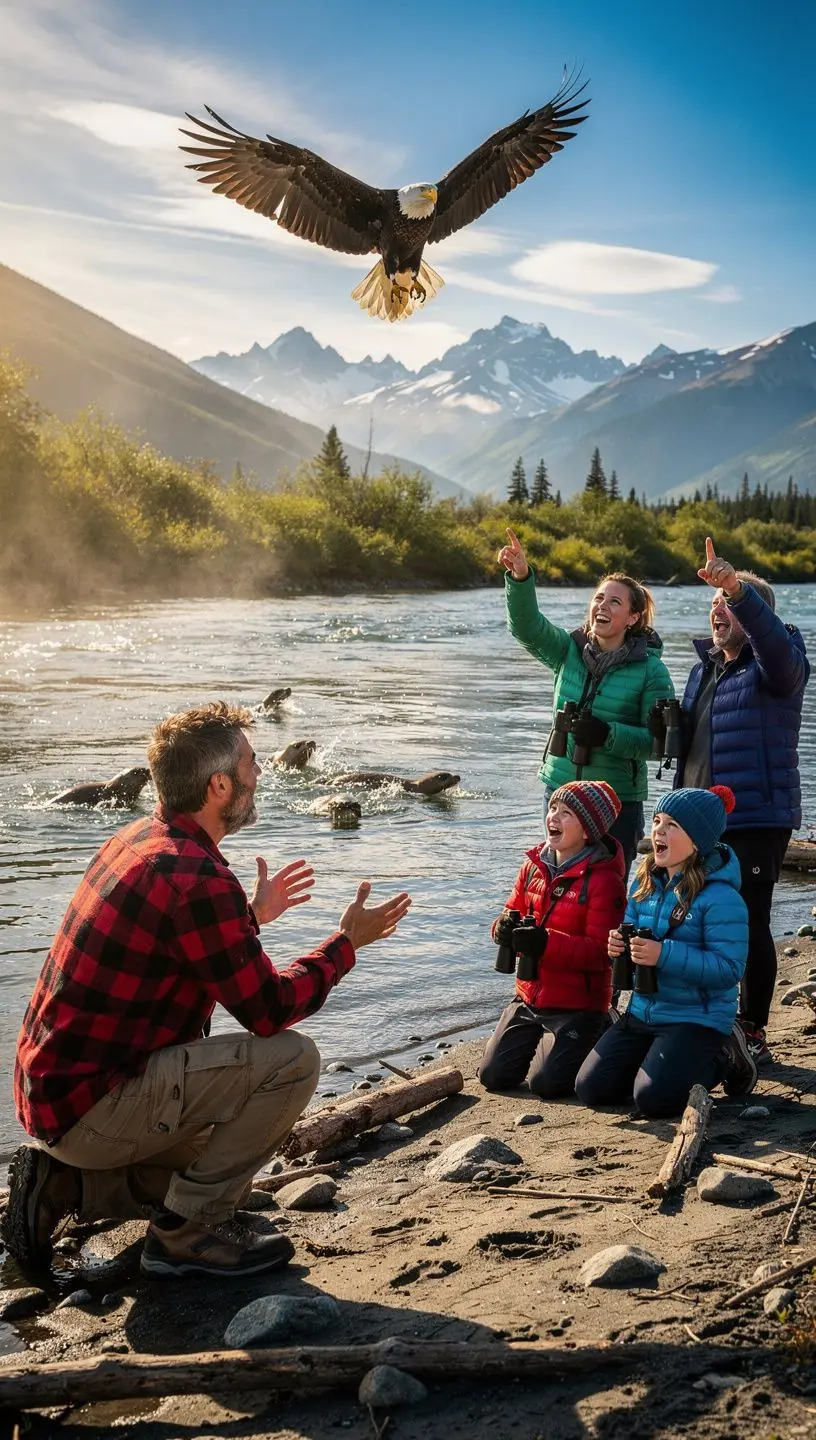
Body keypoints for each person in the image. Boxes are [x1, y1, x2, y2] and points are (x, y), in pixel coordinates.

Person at [4, 702, 410, 1279]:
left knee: (214, 1161)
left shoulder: (140, 837)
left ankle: (69, 1184)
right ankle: (184, 1236)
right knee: (292, 1062)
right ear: (220, 784)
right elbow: (269, 1011)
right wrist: (346, 944)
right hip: (91, 1106)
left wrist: (250, 915)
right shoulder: (197, 878)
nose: (260, 773)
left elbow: (176, 950)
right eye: (250, 763)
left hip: (53, 1095)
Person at [676, 539, 809, 1065]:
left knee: (750, 919)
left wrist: (738, 589)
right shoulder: (704, 669)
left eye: (728, 605)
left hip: (757, 813)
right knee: (700, 917)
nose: (719, 613)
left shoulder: (779, 662)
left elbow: (775, 648)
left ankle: (751, 1030)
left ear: (754, 617)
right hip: (700, 819)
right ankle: (709, 1016)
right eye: (715, 606)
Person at [498, 528, 673, 877]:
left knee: (607, 892)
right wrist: (520, 578)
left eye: (614, 602)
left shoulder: (652, 672)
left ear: (633, 618)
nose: (601, 607)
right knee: (558, 883)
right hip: (560, 791)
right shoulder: (567, 651)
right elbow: (527, 628)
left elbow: (659, 744)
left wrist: (607, 734)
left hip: (617, 801)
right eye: (598, 598)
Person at [574, 785, 757, 1118]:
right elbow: (630, 946)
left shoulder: (722, 899)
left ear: (697, 840)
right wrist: (618, 950)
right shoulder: (644, 885)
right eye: (657, 820)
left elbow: (730, 970)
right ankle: (658, 1068)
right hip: (643, 1012)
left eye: (672, 824)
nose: (658, 829)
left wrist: (663, 954)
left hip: (696, 1018)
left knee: (654, 1101)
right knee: (592, 1089)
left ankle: (726, 1057)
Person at [479, 780, 626, 1098]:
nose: (553, 817)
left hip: (577, 1005)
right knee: (493, 1076)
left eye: (566, 813)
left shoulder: (604, 881)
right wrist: (501, 929)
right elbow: (508, 913)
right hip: (529, 996)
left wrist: (545, 942)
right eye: (552, 808)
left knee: (546, 1085)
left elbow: (603, 953)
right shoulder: (532, 867)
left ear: (587, 830)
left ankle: (603, 1024)